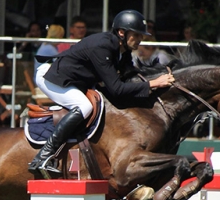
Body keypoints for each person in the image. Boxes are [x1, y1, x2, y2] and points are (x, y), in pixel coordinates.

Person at [29, 10, 175, 175]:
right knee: (84, 107)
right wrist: (154, 83)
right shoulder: (103, 46)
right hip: (52, 78)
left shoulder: (123, 50)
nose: (140, 40)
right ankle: (43, 156)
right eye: (137, 35)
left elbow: (130, 78)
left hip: (74, 80)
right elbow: (117, 89)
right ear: (122, 32)